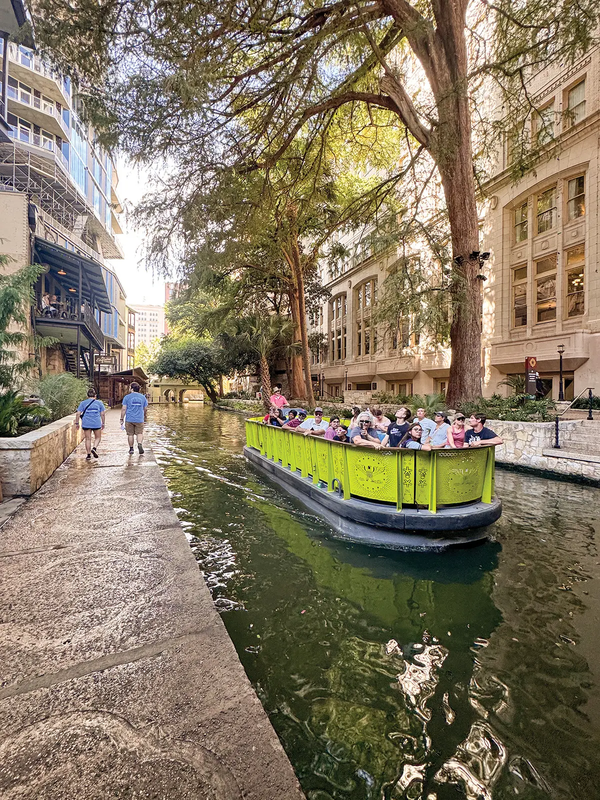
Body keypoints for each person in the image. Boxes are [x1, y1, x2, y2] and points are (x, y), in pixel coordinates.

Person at [74, 387, 105, 461]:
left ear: (87, 395)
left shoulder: (83, 403)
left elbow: (78, 413)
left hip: (86, 423)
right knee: (98, 437)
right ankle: (94, 448)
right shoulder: (99, 403)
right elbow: (102, 414)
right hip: (96, 423)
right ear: (95, 395)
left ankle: (88, 455)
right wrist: (103, 423)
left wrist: (77, 423)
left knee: (88, 439)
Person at [120, 381, 148, 454]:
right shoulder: (143, 397)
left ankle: (131, 449)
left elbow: (124, 409)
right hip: (139, 419)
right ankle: (139, 444)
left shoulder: (127, 397)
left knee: (130, 434)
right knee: (140, 433)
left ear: (131, 389)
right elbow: (145, 408)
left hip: (129, 419)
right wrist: (144, 416)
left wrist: (121, 418)